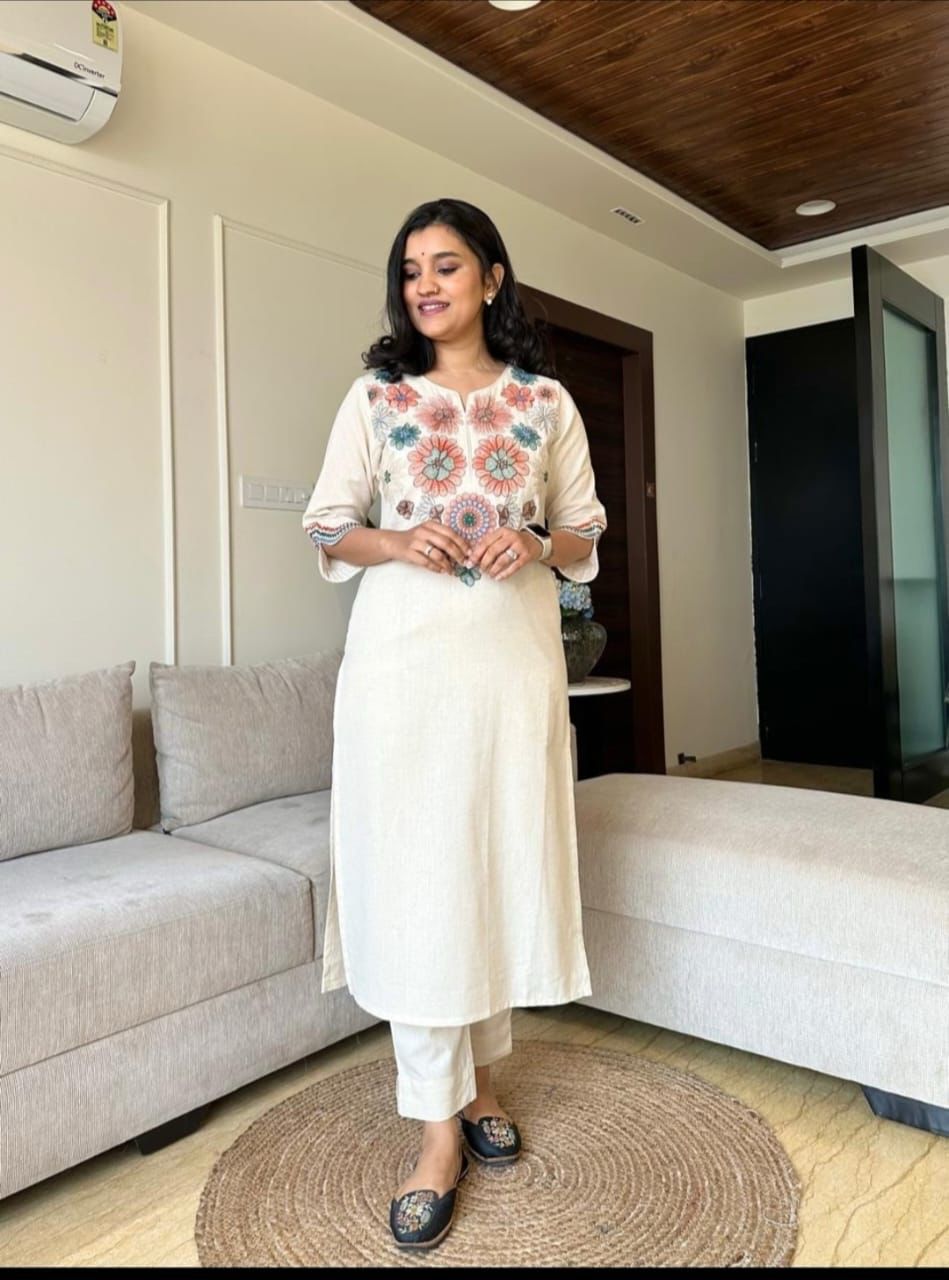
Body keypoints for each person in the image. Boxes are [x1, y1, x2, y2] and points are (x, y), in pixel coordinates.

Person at [301, 197, 607, 1250]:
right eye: (410, 270)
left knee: (489, 866)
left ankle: (477, 1084)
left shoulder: (545, 401)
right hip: (401, 674)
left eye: (445, 265)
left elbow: (585, 531)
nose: (424, 285)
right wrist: (396, 541)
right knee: (421, 882)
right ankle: (435, 1131)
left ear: (491, 276)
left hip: (510, 674)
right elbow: (327, 524)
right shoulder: (378, 397)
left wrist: (538, 543)